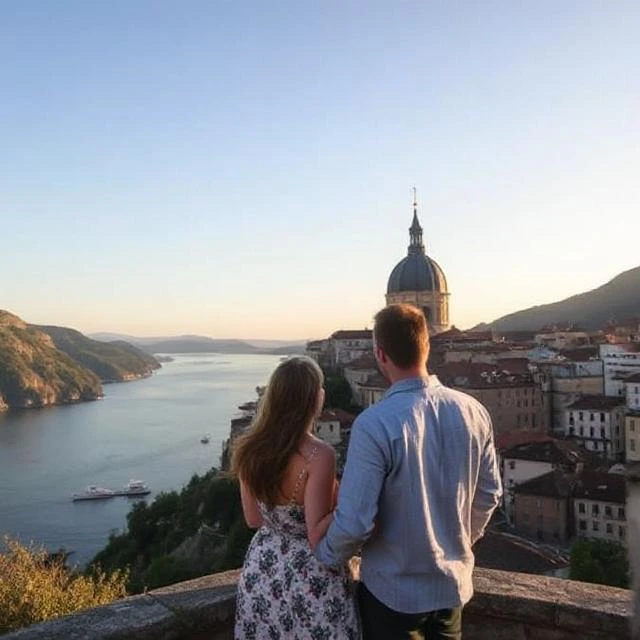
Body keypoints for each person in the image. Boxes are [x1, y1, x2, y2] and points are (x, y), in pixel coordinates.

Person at [314, 304, 502, 640]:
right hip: (452, 588)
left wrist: (325, 556)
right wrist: (458, 541)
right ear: (426, 345)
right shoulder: (474, 413)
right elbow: (488, 495)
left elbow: (355, 520)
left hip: (392, 595)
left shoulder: (374, 424)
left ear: (380, 354)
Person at [231, 356, 359, 640]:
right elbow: (316, 531)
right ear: (316, 398)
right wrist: (348, 505)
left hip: (263, 567)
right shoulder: (320, 455)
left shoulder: (248, 448)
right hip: (309, 573)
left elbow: (253, 519)